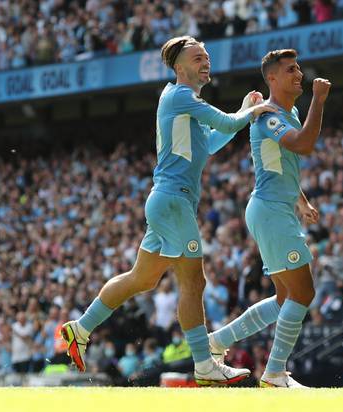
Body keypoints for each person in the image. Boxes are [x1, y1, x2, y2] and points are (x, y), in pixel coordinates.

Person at [59, 35, 277, 386]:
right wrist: (250, 110)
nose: (205, 62)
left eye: (206, 57)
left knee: (141, 279)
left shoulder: (183, 103)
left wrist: (242, 113)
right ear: (179, 67)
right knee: (193, 280)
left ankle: (79, 328)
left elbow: (210, 143)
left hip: (167, 201)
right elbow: (226, 124)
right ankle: (204, 364)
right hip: (173, 201)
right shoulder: (180, 95)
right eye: (197, 58)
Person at [207, 49, 331, 388]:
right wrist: (319, 101)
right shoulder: (268, 115)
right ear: (272, 78)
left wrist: (301, 200)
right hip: (271, 211)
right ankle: (275, 373)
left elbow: (282, 163)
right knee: (302, 294)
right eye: (290, 69)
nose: (299, 74)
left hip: (274, 208)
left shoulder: (286, 110)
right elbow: (303, 145)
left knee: (283, 299)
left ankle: (217, 341)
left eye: (299, 68)